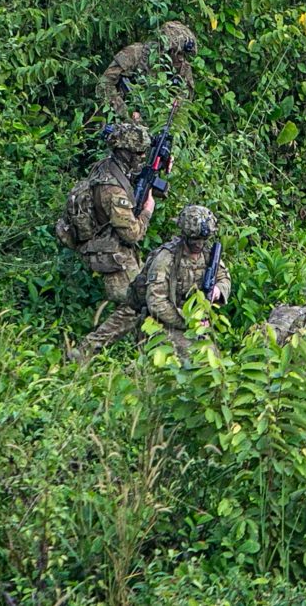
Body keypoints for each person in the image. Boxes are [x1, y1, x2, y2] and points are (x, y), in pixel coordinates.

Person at [70, 204, 229, 362]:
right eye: (195, 239)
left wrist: (218, 290)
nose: (199, 244)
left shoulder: (208, 255)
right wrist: (189, 320)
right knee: (189, 360)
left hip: (192, 324)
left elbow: (224, 278)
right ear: (185, 234)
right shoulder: (166, 259)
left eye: (203, 239)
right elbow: (156, 304)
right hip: (161, 323)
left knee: (213, 361)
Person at [56, 123, 156, 304]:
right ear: (125, 152)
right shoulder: (113, 190)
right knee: (136, 306)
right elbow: (132, 234)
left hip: (105, 248)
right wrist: (147, 211)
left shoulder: (106, 166)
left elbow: (130, 178)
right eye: (138, 153)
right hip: (111, 256)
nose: (142, 157)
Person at [98, 21, 197, 124]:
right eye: (177, 53)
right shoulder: (134, 54)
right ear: (164, 48)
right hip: (120, 122)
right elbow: (104, 84)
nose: (181, 59)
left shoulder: (183, 68)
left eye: (184, 55)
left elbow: (184, 101)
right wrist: (125, 112)